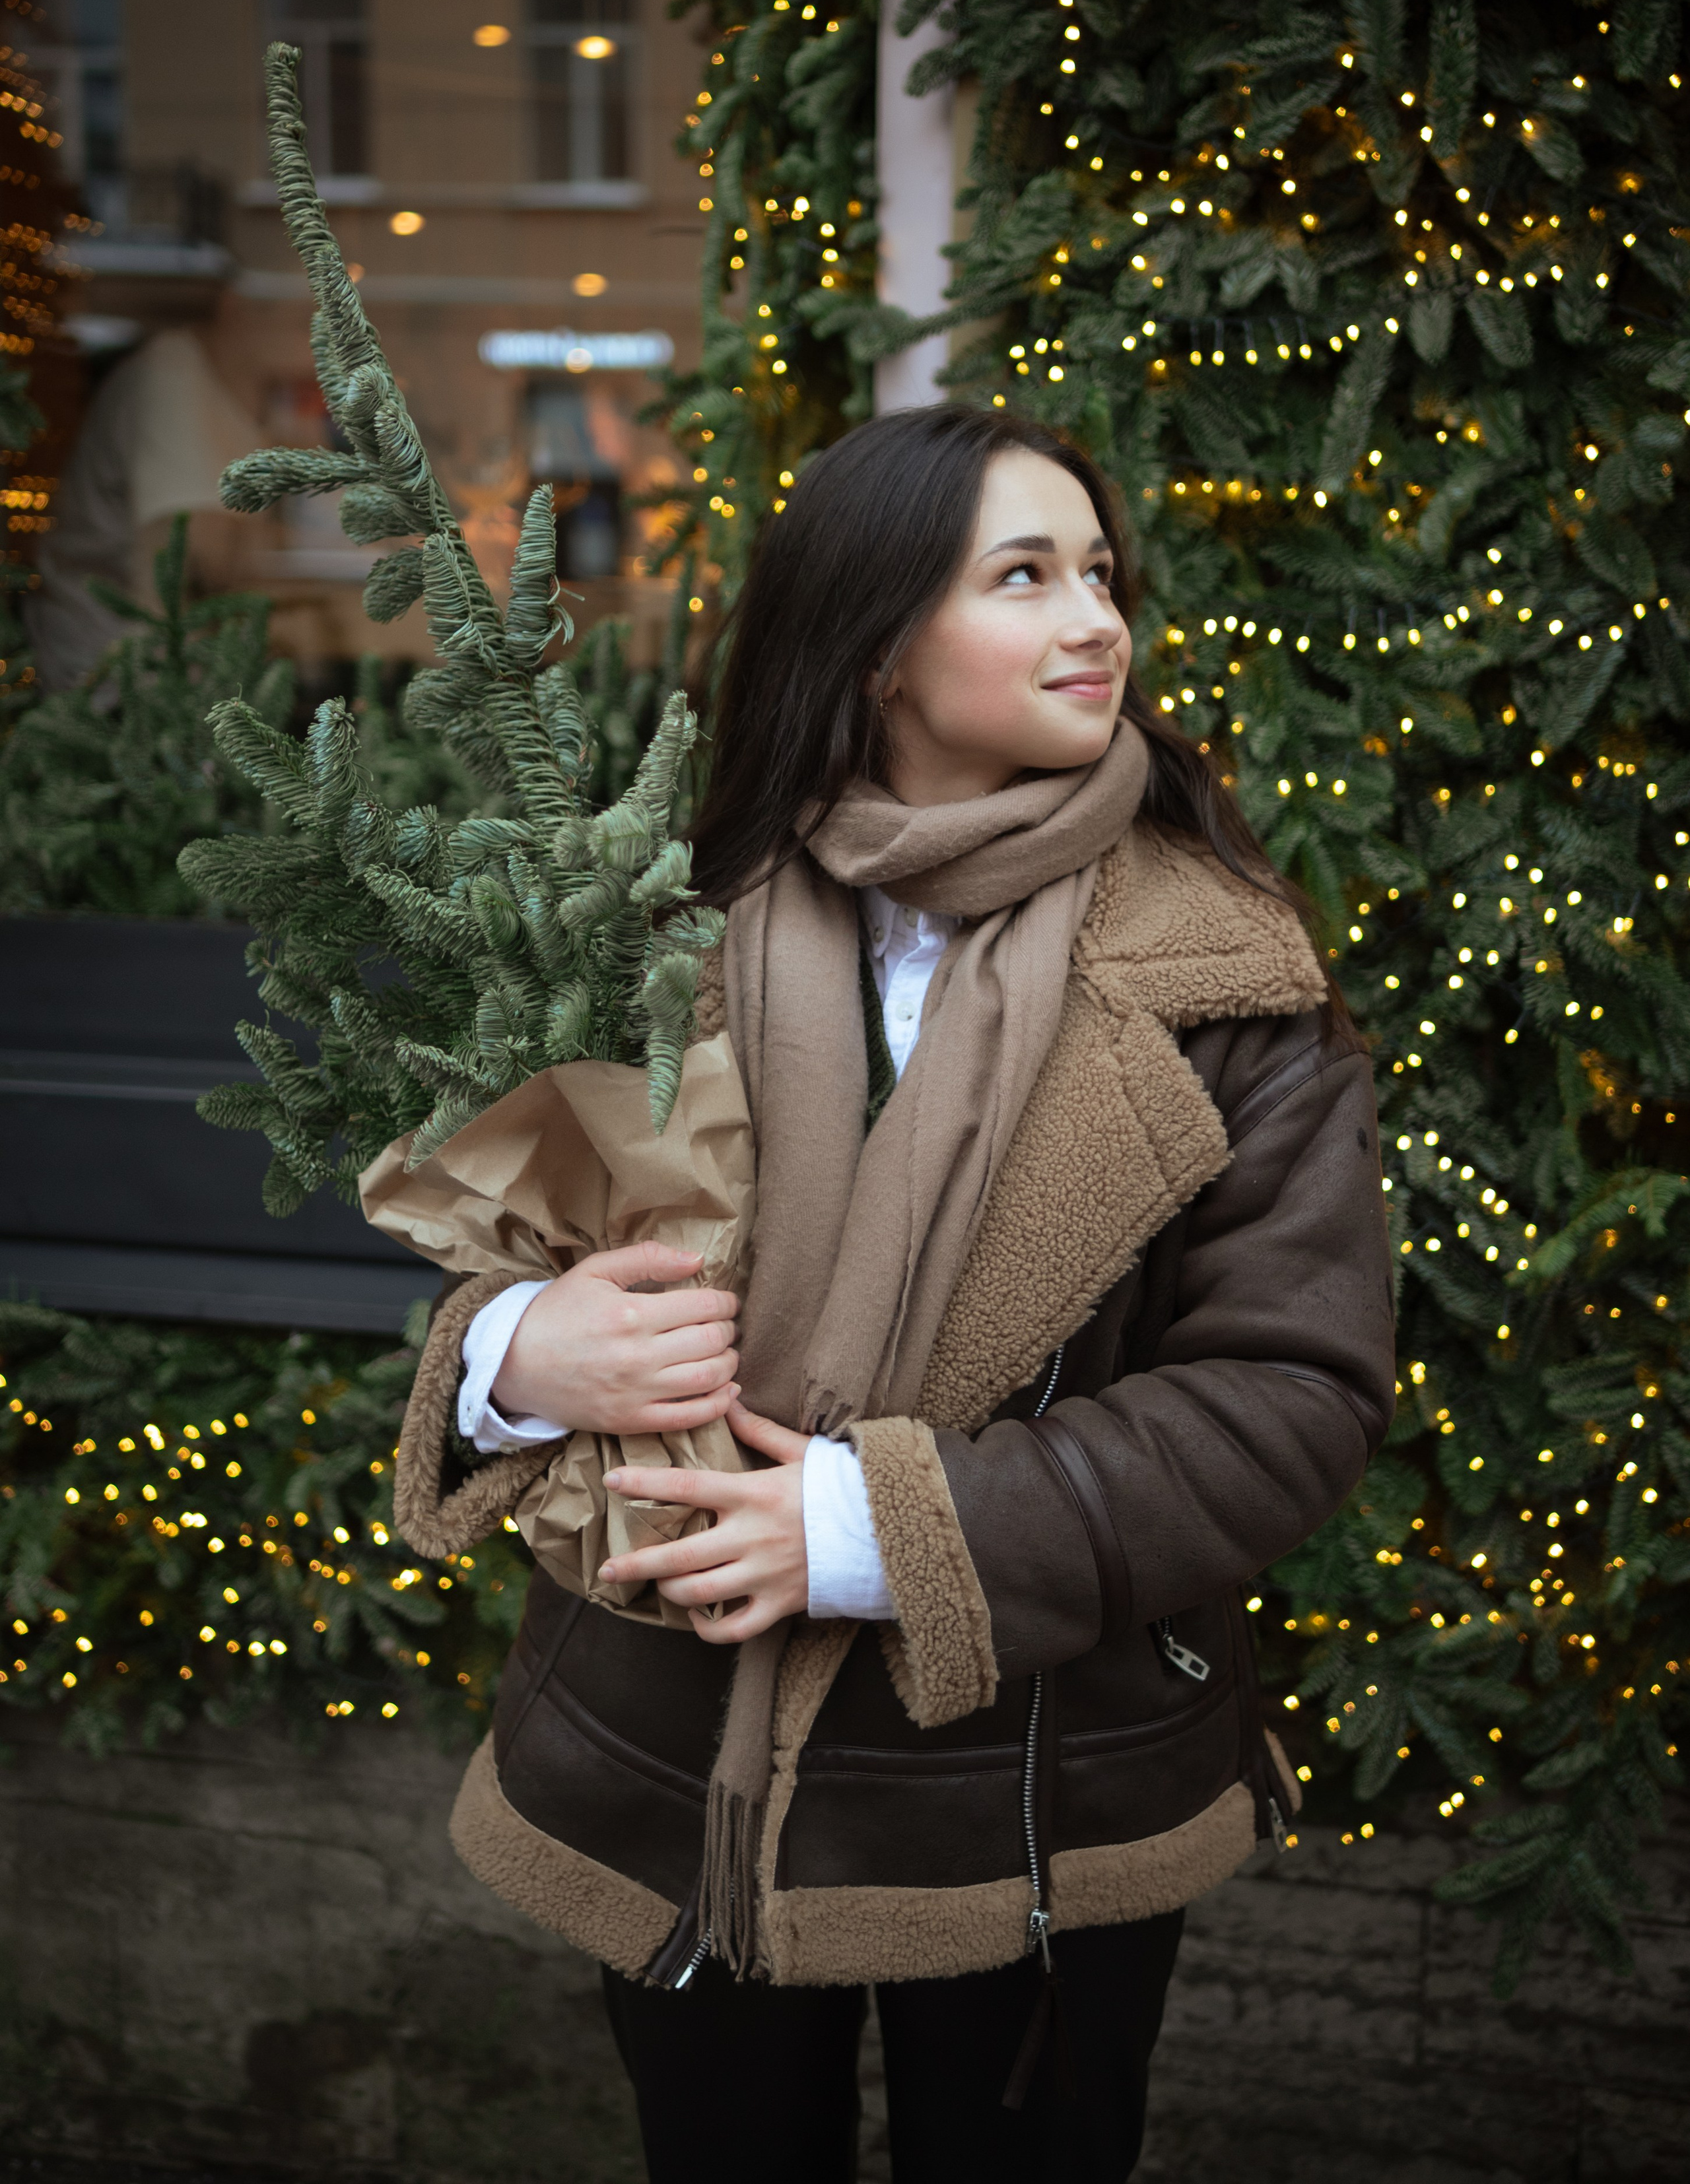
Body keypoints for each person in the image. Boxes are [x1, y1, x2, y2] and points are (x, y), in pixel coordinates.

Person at [397, 406, 1395, 2181]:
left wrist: (867, 1529)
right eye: (1026, 576)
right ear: (872, 647)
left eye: (1102, 574)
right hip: (668, 1748)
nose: (1098, 618)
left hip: (1036, 1772)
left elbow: (1291, 1398)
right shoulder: (652, 920)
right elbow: (511, 1244)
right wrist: (518, 1352)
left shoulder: (1233, 977)